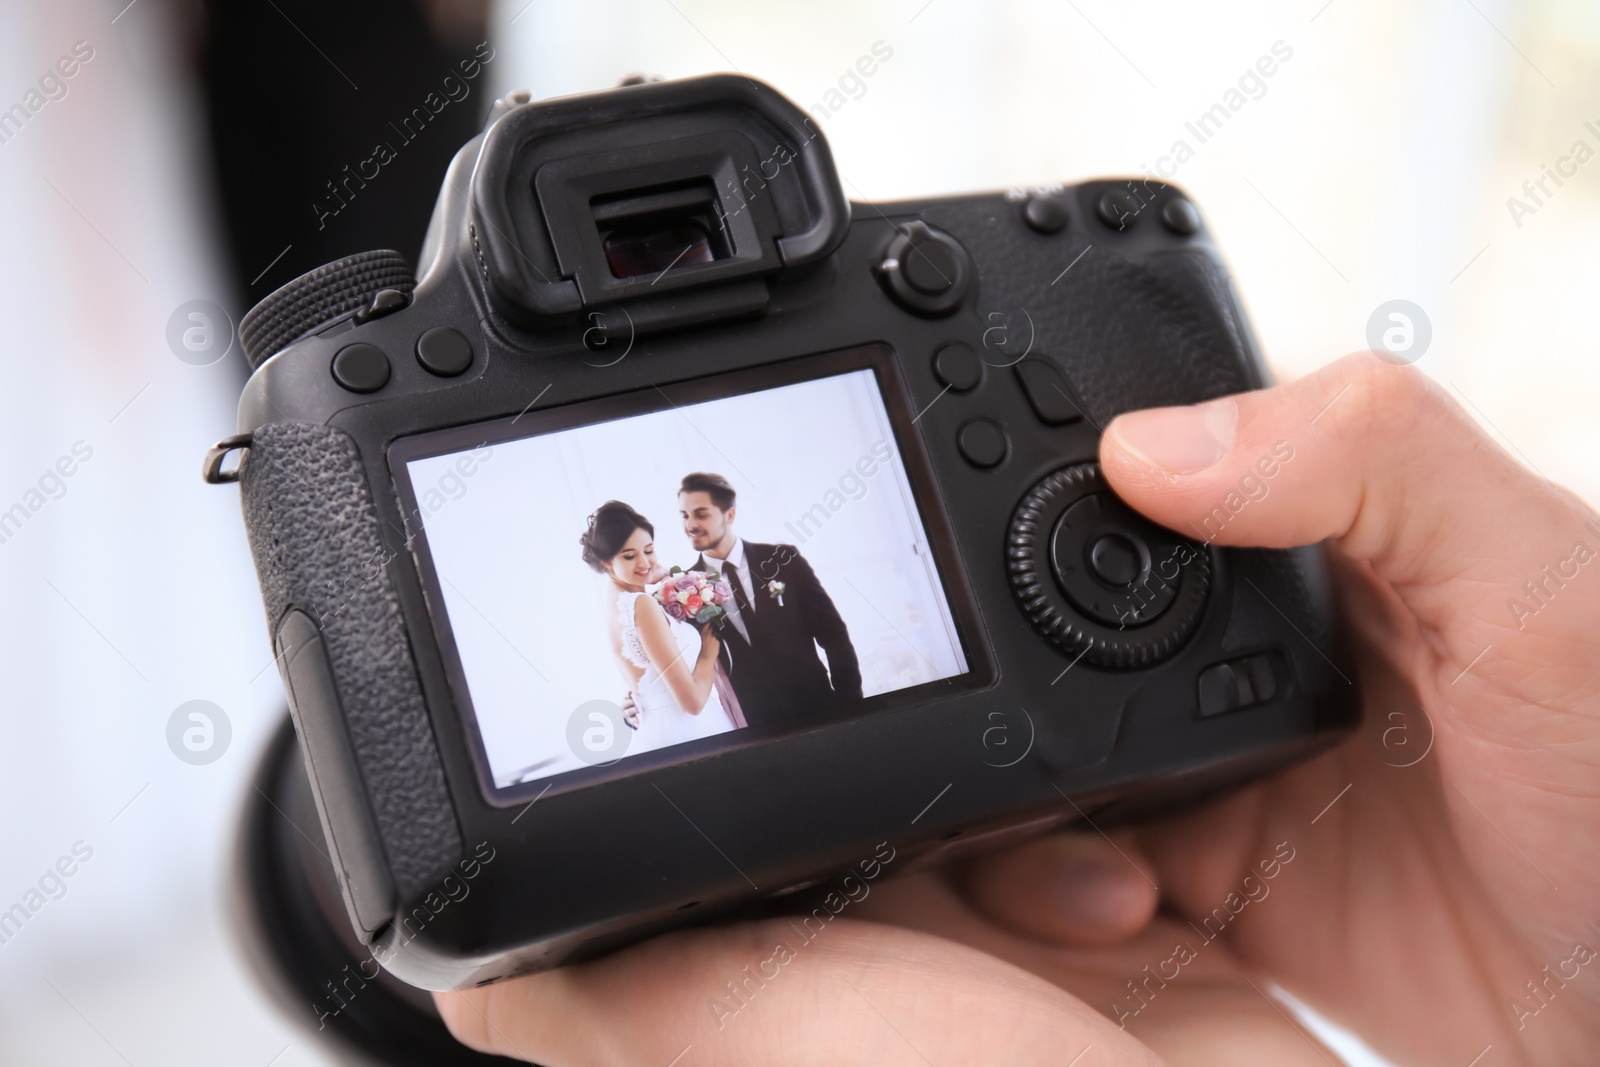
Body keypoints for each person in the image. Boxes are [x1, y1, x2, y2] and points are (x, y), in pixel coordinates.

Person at [447, 355, 1600, 1065]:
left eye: (684, 526)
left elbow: (838, 640)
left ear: (719, 512)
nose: (674, 545)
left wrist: (1547, 1010)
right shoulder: (662, 611)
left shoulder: (780, 553)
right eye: (657, 539)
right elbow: (702, 690)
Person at [678, 472, 863, 726]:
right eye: (685, 516)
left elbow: (834, 635)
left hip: (822, 710)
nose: (690, 525)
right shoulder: (682, 591)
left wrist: (850, 705)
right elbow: (679, 664)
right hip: (755, 728)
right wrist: (640, 703)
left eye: (701, 514)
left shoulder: (782, 559)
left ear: (729, 515)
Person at [581, 501, 738, 750]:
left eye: (649, 550)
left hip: (657, 728)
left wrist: (661, 574)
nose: (644, 563)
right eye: (629, 556)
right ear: (607, 562)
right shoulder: (641, 604)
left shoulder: (615, 605)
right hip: (687, 730)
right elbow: (693, 703)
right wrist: (708, 652)